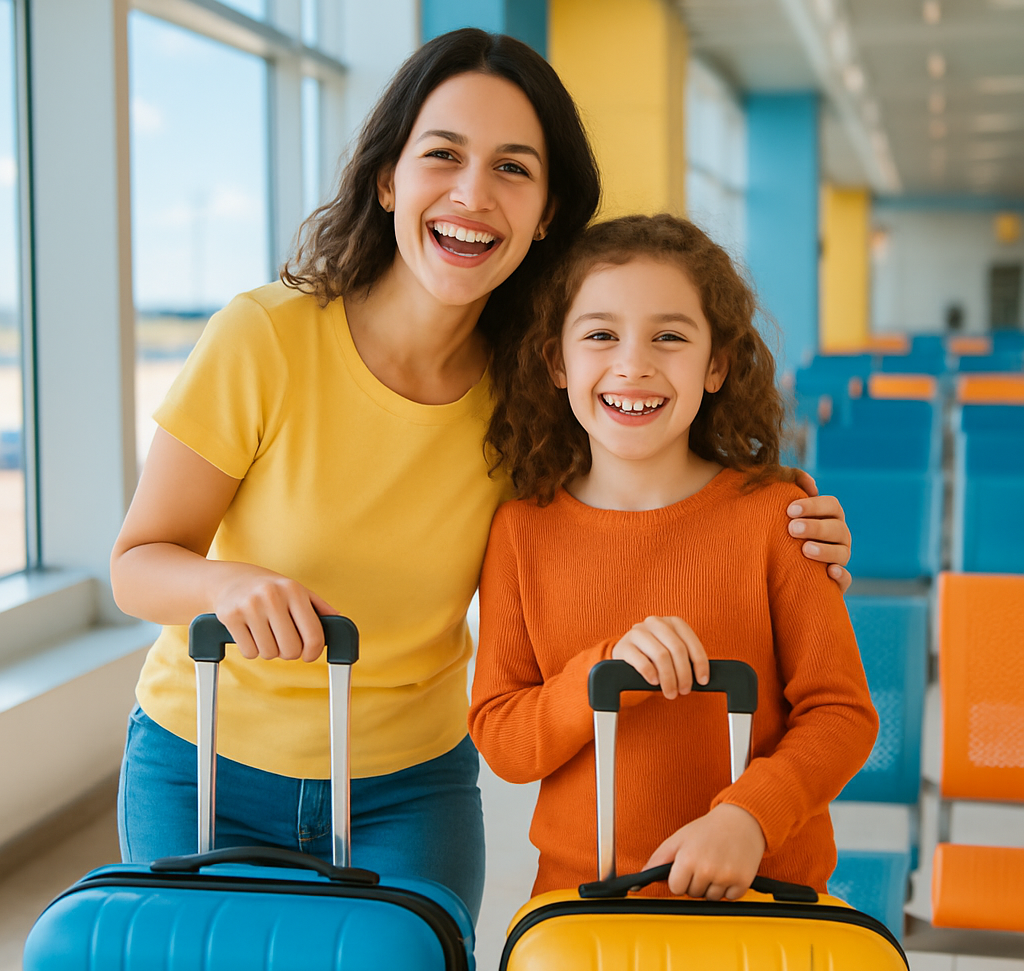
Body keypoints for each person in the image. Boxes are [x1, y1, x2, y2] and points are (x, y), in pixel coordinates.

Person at [109, 30, 853, 923]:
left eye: (512, 167)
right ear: (388, 179)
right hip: (206, 757)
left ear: (545, 212)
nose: (472, 193)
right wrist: (226, 582)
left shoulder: (537, 387)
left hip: (406, 785)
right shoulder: (263, 338)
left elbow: (662, 483)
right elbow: (138, 563)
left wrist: (792, 516)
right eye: (443, 155)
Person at [469, 214, 878, 901]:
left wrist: (748, 818)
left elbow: (841, 715)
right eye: (601, 335)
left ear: (716, 364)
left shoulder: (779, 517)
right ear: (557, 362)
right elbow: (503, 738)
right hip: (584, 906)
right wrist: (598, 674)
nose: (633, 364)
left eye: (670, 337)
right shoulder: (518, 531)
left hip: (766, 896)